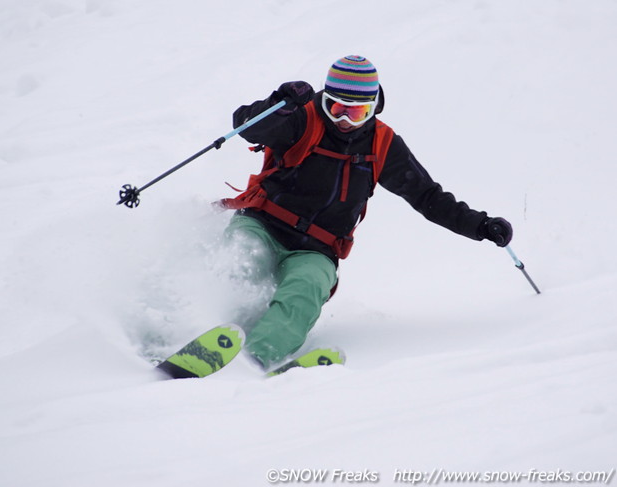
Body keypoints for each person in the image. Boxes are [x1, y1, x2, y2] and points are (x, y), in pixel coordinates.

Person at [219, 55, 512, 370]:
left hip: (316, 249)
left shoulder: (382, 143)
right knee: (241, 260)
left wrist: (479, 225)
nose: (345, 119)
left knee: (307, 288)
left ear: (373, 106)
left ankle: (253, 360)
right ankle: (201, 331)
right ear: (324, 99)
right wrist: (281, 102)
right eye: (336, 108)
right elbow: (246, 127)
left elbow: (427, 196)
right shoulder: (301, 118)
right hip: (262, 224)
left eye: (357, 111)